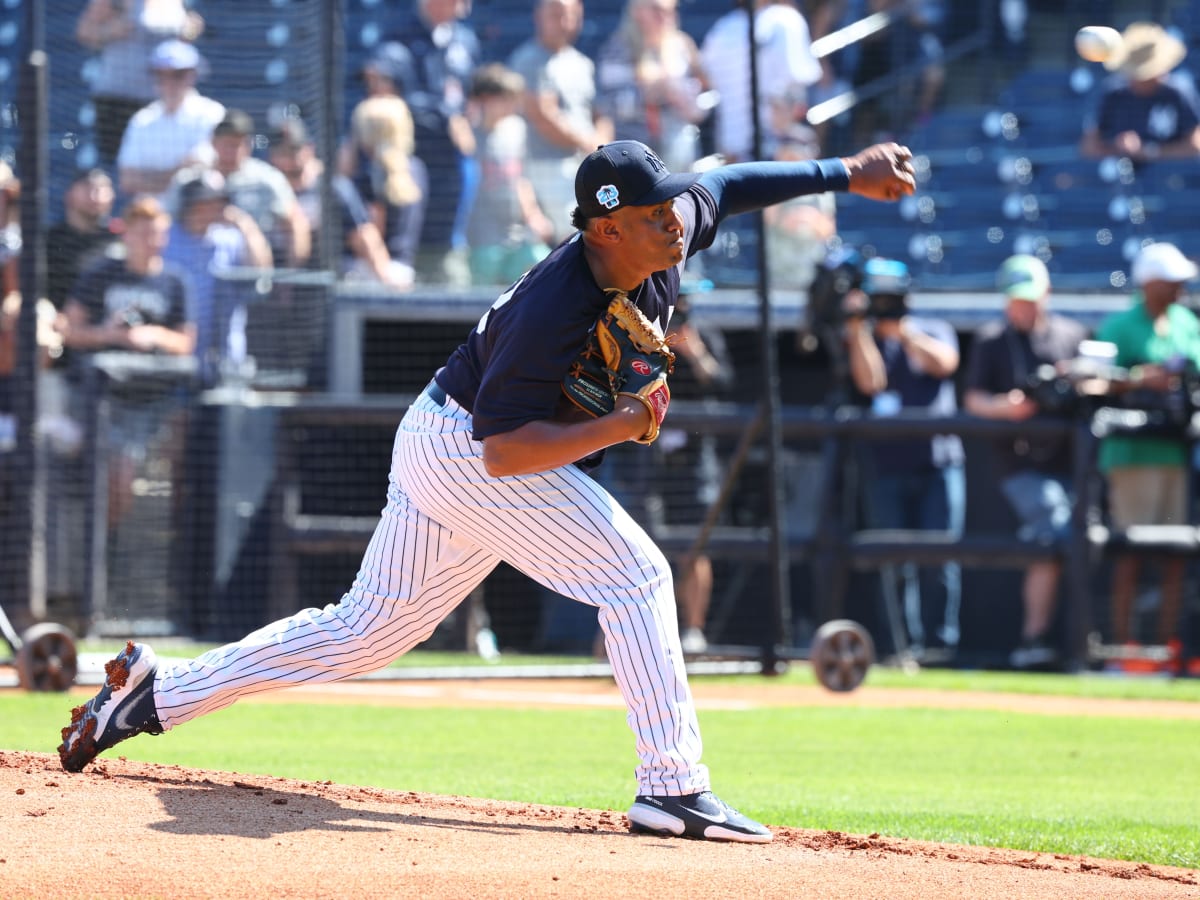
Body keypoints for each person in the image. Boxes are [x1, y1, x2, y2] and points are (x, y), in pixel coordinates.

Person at [57, 137, 916, 843]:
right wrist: (619, 425)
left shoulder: (665, 226)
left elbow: (728, 182)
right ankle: (673, 788)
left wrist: (847, 173)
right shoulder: (558, 305)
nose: (676, 223)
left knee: (365, 634)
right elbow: (504, 453)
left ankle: (157, 692)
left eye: (671, 208)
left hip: (441, 434)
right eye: (656, 215)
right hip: (471, 449)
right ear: (606, 229)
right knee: (637, 576)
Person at [962, 255, 1087, 670]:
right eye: (1017, 300)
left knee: (1080, 540)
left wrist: (1076, 379)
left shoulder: (1071, 335)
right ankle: (1037, 636)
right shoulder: (991, 340)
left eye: (1031, 299)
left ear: (1046, 294)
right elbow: (974, 398)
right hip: (1018, 463)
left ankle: (1074, 640)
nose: (1024, 307)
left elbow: (1096, 389)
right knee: (1051, 531)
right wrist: (1007, 407)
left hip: (1074, 462)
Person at [842, 256, 964, 658]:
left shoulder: (932, 327)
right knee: (894, 562)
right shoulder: (868, 337)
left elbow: (945, 364)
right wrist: (859, 329)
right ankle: (902, 648)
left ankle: (940, 647)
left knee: (940, 559)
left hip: (938, 461)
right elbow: (871, 383)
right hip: (888, 463)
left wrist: (904, 332)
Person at [1094, 242, 1200, 660]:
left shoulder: (1186, 322)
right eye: (1171, 282)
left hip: (1176, 453)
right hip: (1132, 455)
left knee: (1176, 555)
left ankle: (1166, 648)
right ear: (1149, 283)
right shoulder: (1120, 326)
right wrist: (1141, 379)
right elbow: (1097, 381)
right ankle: (1126, 651)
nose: (1179, 288)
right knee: (1130, 553)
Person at [388, 0, 482, 284]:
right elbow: (398, 97)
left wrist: (471, 113)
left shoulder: (466, 40)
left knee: (448, 244)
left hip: (454, 161)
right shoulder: (400, 37)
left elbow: (472, 91)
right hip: (416, 156)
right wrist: (446, 117)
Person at [508, 0, 614, 242]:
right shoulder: (528, 60)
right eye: (556, 15)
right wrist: (590, 144)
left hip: (585, 164)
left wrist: (602, 147)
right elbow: (542, 115)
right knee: (574, 237)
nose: (564, 23)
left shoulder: (582, 63)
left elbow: (601, 113)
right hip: (546, 166)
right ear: (539, 17)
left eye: (571, 16)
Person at [269, 118, 415, 290]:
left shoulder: (332, 187)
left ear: (309, 149)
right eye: (281, 152)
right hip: (272, 277)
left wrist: (385, 279)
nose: (288, 159)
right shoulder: (264, 186)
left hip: (321, 281)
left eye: (293, 151)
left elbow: (364, 236)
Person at [161, 170, 272, 384]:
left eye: (217, 202)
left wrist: (245, 224)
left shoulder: (230, 239)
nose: (211, 209)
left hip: (225, 353)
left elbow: (262, 273)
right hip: (175, 353)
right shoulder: (166, 237)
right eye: (203, 202)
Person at [170, 109, 310, 269]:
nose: (232, 151)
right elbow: (167, 223)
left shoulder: (267, 180)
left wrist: (290, 276)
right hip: (196, 267)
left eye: (238, 144)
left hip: (254, 268)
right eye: (227, 144)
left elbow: (296, 222)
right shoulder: (191, 179)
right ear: (213, 142)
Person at [75, 0, 205, 165]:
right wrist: (110, 31)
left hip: (161, 103)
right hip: (118, 102)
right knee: (117, 166)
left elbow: (190, 28)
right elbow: (84, 31)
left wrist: (191, 29)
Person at [593, 0, 711, 175]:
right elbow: (611, 106)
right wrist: (654, 92)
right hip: (635, 155)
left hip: (681, 152)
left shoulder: (683, 46)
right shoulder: (617, 49)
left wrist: (688, 103)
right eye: (657, 10)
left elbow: (705, 96)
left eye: (671, 11)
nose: (665, 17)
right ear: (637, 12)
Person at [464, 63, 555, 287]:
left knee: (547, 271)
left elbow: (521, 179)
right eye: (506, 99)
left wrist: (534, 215)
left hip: (518, 234)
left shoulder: (516, 130)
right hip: (482, 237)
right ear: (485, 99)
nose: (512, 106)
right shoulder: (468, 134)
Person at [700, 0, 823, 162]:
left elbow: (706, 79)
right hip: (775, 152)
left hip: (735, 154)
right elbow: (797, 86)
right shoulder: (787, 19)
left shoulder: (721, 28)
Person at [116, 39, 225, 198]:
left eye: (178, 75)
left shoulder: (212, 113)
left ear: (192, 75)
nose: (169, 82)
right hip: (151, 216)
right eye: (161, 75)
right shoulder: (142, 120)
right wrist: (176, 172)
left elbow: (213, 166)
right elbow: (127, 181)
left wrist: (152, 178)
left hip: (198, 214)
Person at [1079, 22, 1200, 162]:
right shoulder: (1113, 94)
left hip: (1172, 179)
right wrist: (1118, 149)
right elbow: (1088, 147)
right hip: (1119, 177)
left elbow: (1195, 146)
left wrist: (1149, 151)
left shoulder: (1178, 93)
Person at [346, 96, 429, 282]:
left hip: (376, 272)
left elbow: (371, 233)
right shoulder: (416, 168)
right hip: (404, 270)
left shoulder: (373, 173)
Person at [46, 169, 120, 315]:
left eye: (102, 189)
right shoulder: (48, 240)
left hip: (108, 324)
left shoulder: (120, 239)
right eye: (88, 188)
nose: (95, 196)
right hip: (56, 321)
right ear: (69, 195)